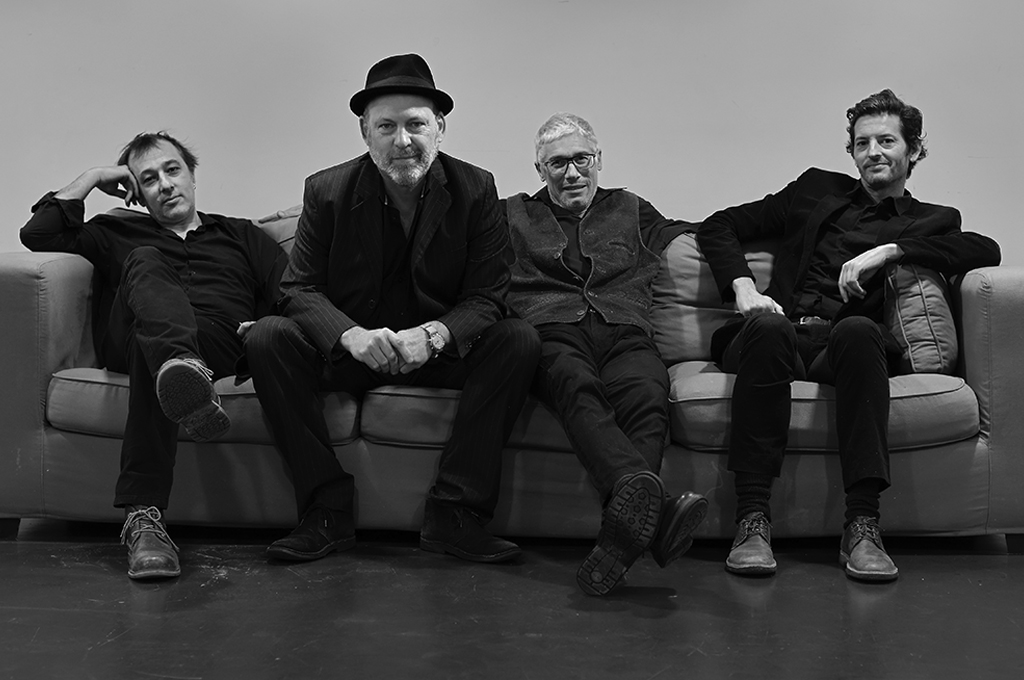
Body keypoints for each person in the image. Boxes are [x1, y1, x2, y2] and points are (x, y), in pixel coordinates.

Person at [245, 54, 540, 565]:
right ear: (365, 133)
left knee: (519, 340)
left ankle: (456, 514)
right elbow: (298, 288)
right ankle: (324, 511)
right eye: (386, 126)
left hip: (436, 355)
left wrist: (435, 336)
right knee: (267, 336)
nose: (402, 140)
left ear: (440, 128)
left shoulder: (476, 188)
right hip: (354, 355)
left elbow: (489, 294)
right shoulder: (327, 190)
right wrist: (350, 336)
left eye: (415, 124)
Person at [697, 89, 1001, 582]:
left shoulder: (933, 220)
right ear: (852, 152)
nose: (873, 152)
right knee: (768, 327)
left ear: (913, 150)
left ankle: (862, 525)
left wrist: (891, 250)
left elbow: (986, 249)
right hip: (776, 335)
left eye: (886, 141)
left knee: (860, 330)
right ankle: (752, 520)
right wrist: (743, 287)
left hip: (840, 349)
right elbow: (719, 225)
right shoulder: (815, 189)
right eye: (862, 143)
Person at [20, 132, 288, 580]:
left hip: (218, 342)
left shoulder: (243, 235)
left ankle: (143, 521)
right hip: (133, 336)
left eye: (172, 170)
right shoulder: (118, 231)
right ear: (137, 193)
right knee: (145, 265)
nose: (164, 184)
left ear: (191, 176)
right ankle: (181, 370)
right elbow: (38, 233)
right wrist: (93, 177)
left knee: (160, 359)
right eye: (148, 179)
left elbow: (291, 293)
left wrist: (263, 325)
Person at [505, 113, 708, 596]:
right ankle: (654, 515)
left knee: (648, 394)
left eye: (581, 159)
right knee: (575, 384)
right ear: (539, 170)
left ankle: (621, 538)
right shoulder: (510, 214)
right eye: (558, 163)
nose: (571, 173)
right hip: (552, 328)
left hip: (624, 330)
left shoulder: (633, 208)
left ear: (599, 160)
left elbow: (706, 231)